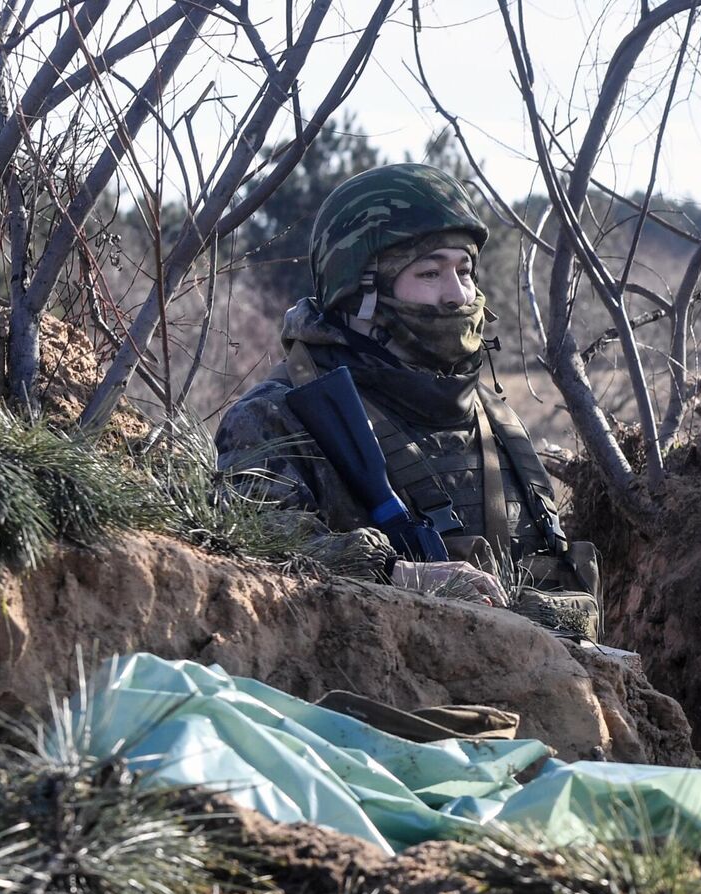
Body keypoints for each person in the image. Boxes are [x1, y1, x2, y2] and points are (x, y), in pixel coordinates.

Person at [216, 162, 600, 637]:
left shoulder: (495, 419)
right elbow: (249, 557)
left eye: (464, 270)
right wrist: (397, 574)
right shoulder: (279, 418)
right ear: (361, 292)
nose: (457, 295)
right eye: (430, 272)